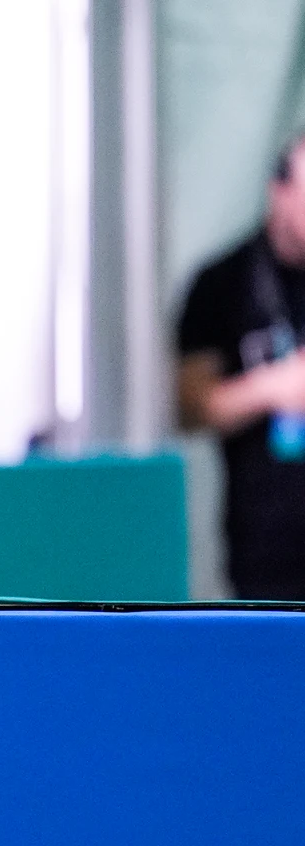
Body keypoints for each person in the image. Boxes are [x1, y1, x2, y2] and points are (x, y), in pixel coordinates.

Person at [175, 132, 305, 600]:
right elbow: (187, 407)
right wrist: (274, 388)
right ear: (281, 192)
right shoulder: (223, 285)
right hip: (269, 544)